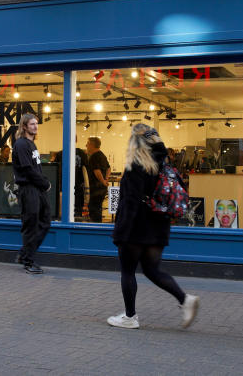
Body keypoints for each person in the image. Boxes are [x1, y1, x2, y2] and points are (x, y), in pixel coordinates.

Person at [107, 123, 199, 330]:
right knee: (152, 270)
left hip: (136, 227)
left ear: (134, 142)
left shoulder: (135, 167)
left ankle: (130, 316)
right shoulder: (165, 165)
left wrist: (120, 231)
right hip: (158, 226)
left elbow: (130, 202)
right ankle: (185, 300)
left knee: (128, 271)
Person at [12, 113, 50, 274]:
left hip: (38, 189)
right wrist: (45, 183)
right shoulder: (21, 144)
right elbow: (27, 170)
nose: (35, 126)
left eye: (36, 123)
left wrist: (42, 183)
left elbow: (35, 168)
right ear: (24, 126)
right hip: (28, 189)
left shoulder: (31, 144)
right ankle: (28, 261)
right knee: (31, 225)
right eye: (32, 124)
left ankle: (24, 253)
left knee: (45, 222)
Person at [54, 136, 88, 221]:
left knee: (64, 209)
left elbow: (55, 170)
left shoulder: (60, 154)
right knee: (77, 210)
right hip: (76, 186)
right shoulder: (81, 153)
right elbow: (87, 170)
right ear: (76, 140)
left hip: (66, 186)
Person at [85, 136, 110, 223]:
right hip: (102, 188)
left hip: (96, 189)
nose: (86, 145)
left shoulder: (94, 157)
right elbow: (108, 168)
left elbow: (97, 171)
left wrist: (103, 181)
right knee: (98, 208)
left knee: (94, 210)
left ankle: (95, 227)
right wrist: (106, 179)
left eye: (87, 144)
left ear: (92, 145)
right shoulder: (102, 155)